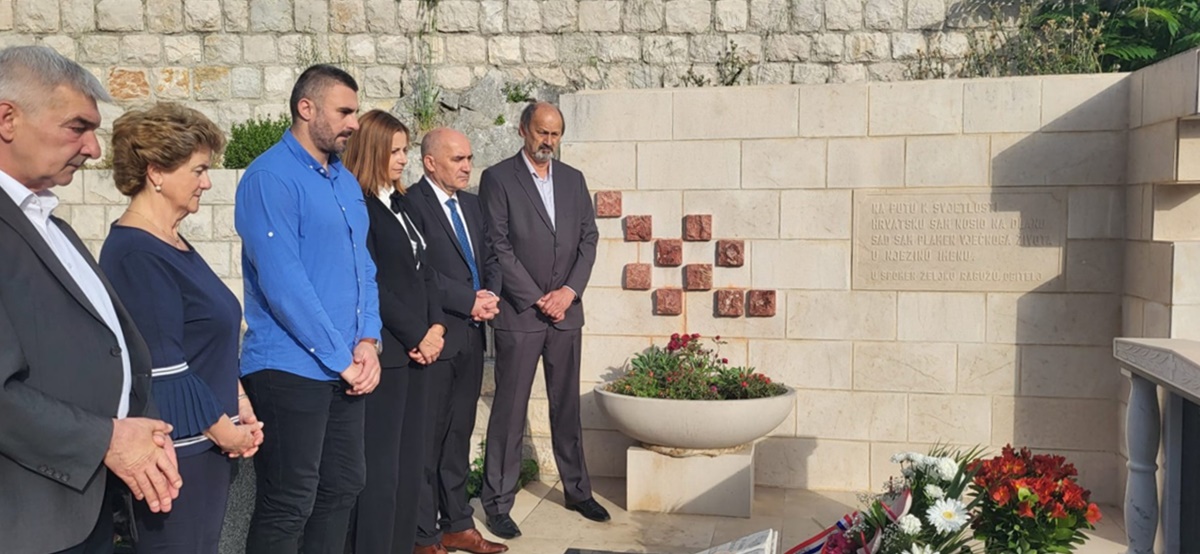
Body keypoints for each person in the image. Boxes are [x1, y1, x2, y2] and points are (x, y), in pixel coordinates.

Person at [0, 45, 182, 554]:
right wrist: (105, 439)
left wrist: (141, 434)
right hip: (26, 522)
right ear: (7, 120)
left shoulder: (52, 226)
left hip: (88, 508)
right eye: (77, 127)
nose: (94, 149)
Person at [99, 102, 265, 553]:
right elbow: (164, 368)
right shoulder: (136, 254)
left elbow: (204, 339)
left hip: (205, 445)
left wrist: (240, 402)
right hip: (176, 456)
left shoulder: (172, 241)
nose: (207, 182)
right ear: (156, 172)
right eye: (198, 170)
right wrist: (227, 432)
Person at [235, 64, 382, 554]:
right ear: (306, 108)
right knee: (289, 500)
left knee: (344, 485)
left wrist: (368, 340)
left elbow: (363, 267)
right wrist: (343, 358)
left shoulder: (344, 181)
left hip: (345, 366)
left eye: (355, 112)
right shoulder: (269, 178)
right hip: (289, 368)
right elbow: (284, 284)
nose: (354, 123)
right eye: (344, 112)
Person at [479, 102, 607, 539]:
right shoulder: (498, 178)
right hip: (521, 314)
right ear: (523, 130)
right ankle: (497, 503)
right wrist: (537, 298)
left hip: (566, 313)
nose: (547, 141)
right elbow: (497, 245)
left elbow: (589, 238)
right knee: (509, 410)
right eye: (541, 132)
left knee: (566, 406)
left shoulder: (573, 180)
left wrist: (569, 292)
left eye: (555, 134)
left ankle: (577, 491)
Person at [341, 109, 448, 554]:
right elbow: (374, 282)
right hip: (389, 354)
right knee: (381, 471)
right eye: (395, 151)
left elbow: (427, 272)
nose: (404, 159)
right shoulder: (361, 207)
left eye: (405, 150)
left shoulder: (404, 204)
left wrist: (437, 326)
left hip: (421, 353)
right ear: (372, 151)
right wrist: (416, 334)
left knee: (410, 466)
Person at [403, 128, 505, 554]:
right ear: (430, 162)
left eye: (469, 158)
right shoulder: (411, 204)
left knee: (459, 435)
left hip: (472, 337)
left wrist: (490, 295)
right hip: (436, 335)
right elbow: (420, 271)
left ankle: (457, 523)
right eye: (457, 159)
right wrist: (468, 300)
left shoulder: (472, 204)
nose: (467, 167)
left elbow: (492, 255)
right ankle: (423, 534)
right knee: (428, 438)